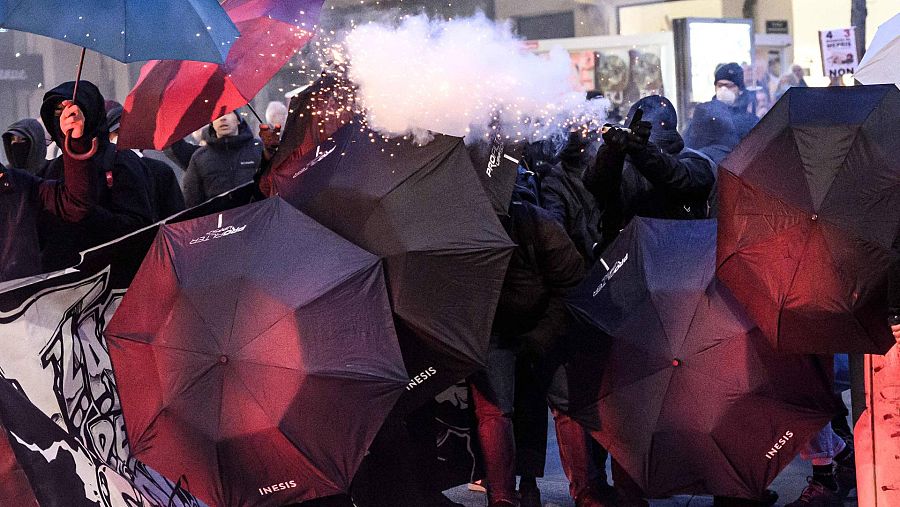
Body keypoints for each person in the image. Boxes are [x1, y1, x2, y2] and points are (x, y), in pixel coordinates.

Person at [470, 192, 585, 507]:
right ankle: (503, 497)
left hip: (544, 320)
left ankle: (586, 492)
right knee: (494, 411)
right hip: (492, 327)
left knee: (567, 405)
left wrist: (541, 338)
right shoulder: (465, 228)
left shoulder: (540, 226)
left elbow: (572, 288)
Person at [38, 80, 154, 272]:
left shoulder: (121, 160)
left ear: (89, 112)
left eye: (73, 111)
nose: (64, 119)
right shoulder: (51, 169)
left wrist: (85, 212)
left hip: (113, 281)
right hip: (60, 288)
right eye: (57, 112)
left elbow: (140, 229)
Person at [1, 101, 96, 282]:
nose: (17, 146)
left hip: (24, 304)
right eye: (12, 141)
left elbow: (75, 203)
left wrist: (75, 140)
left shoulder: (21, 185)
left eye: (22, 141)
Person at [106, 105, 185, 220]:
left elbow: (177, 217)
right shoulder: (103, 171)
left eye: (129, 131)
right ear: (108, 136)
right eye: (117, 132)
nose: (123, 137)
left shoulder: (161, 171)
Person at [181, 110, 263, 207]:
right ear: (212, 122)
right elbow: (192, 202)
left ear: (238, 120)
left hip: (257, 217)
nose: (222, 118)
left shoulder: (259, 149)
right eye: (217, 115)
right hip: (217, 220)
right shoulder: (199, 157)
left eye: (228, 113)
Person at [711, 62, 759, 141]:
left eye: (729, 86)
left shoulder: (751, 122)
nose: (723, 90)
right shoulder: (705, 117)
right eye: (720, 85)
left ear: (740, 90)